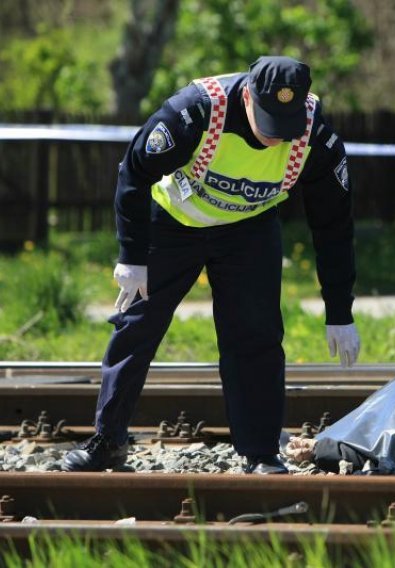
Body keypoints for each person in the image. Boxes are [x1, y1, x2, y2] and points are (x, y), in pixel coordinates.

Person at [63, 56, 360, 475]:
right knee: (137, 327)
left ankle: (260, 452)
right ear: (248, 98)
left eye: (286, 126)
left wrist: (339, 310)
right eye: (269, 122)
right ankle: (107, 441)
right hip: (171, 225)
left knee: (255, 338)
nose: (276, 139)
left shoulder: (318, 138)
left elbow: (333, 227)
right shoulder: (195, 112)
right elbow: (133, 172)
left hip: (247, 230)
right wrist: (132, 256)